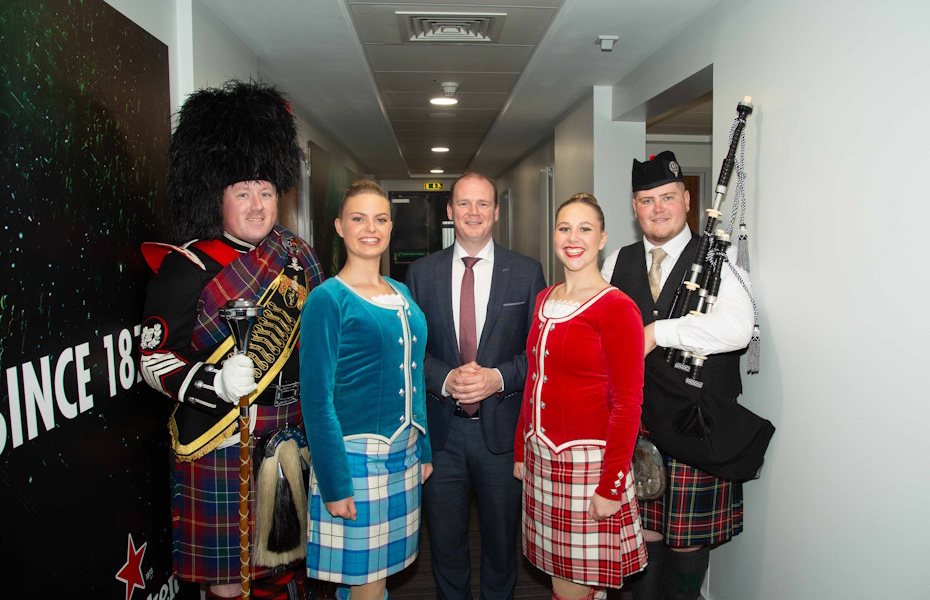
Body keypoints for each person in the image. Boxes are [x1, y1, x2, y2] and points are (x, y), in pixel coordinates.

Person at [139, 80, 324, 600]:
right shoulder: (186, 267)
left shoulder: (297, 254)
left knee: (289, 568)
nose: (258, 204)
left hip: (289, 433)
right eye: (243, 193)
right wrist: (212, 382)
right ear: (216, 196)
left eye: (266, 192)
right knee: (229, 581)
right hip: (221, 438)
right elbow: (152, 357)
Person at [601, 151, 754, 600]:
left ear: (687, 200)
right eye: (647, 200)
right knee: (643, 535)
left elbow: (737, 328)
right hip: (638, 426)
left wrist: (659, 332)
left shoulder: (718, 262)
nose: (658, 208)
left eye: (667, 197)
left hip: (696, 423)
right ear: (634, 208)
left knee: (687, 541)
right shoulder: (616, 263)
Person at [404, 173, 546, 600]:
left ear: (497, 212)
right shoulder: (421, 273)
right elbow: (410, 353)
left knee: (502, 546)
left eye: (483, 204)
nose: (473, 213)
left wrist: (496, 377)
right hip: (442, 436)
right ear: (449, 211)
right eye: (464, 204)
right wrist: (445, 379)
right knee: (445, 545)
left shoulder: (526, 272)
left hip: (502, 434)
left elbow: (537, 354)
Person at [299, 179, 432, 600]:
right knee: (366, 585)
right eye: (358, 219)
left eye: (379, 219)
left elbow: (416, 375)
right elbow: (316, 399)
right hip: (354, 461)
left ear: (391, 227)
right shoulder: (327, 299)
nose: (369, 228)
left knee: (380, 579)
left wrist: (424, 450)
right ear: (340, 226)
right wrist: (335, 482)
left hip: (405, 455)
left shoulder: (402, 291)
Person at [513, 193, 647, 600]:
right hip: (541, 459)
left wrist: (610, 486)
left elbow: (628, 405)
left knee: (575, 587)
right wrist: (521, 449)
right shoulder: (545, 299)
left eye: (585, 229)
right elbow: (534, 379)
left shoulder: (618, 307)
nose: (574, 238)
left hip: (590, 468)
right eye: (564, 228)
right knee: (560, 578)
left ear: (603, 238)